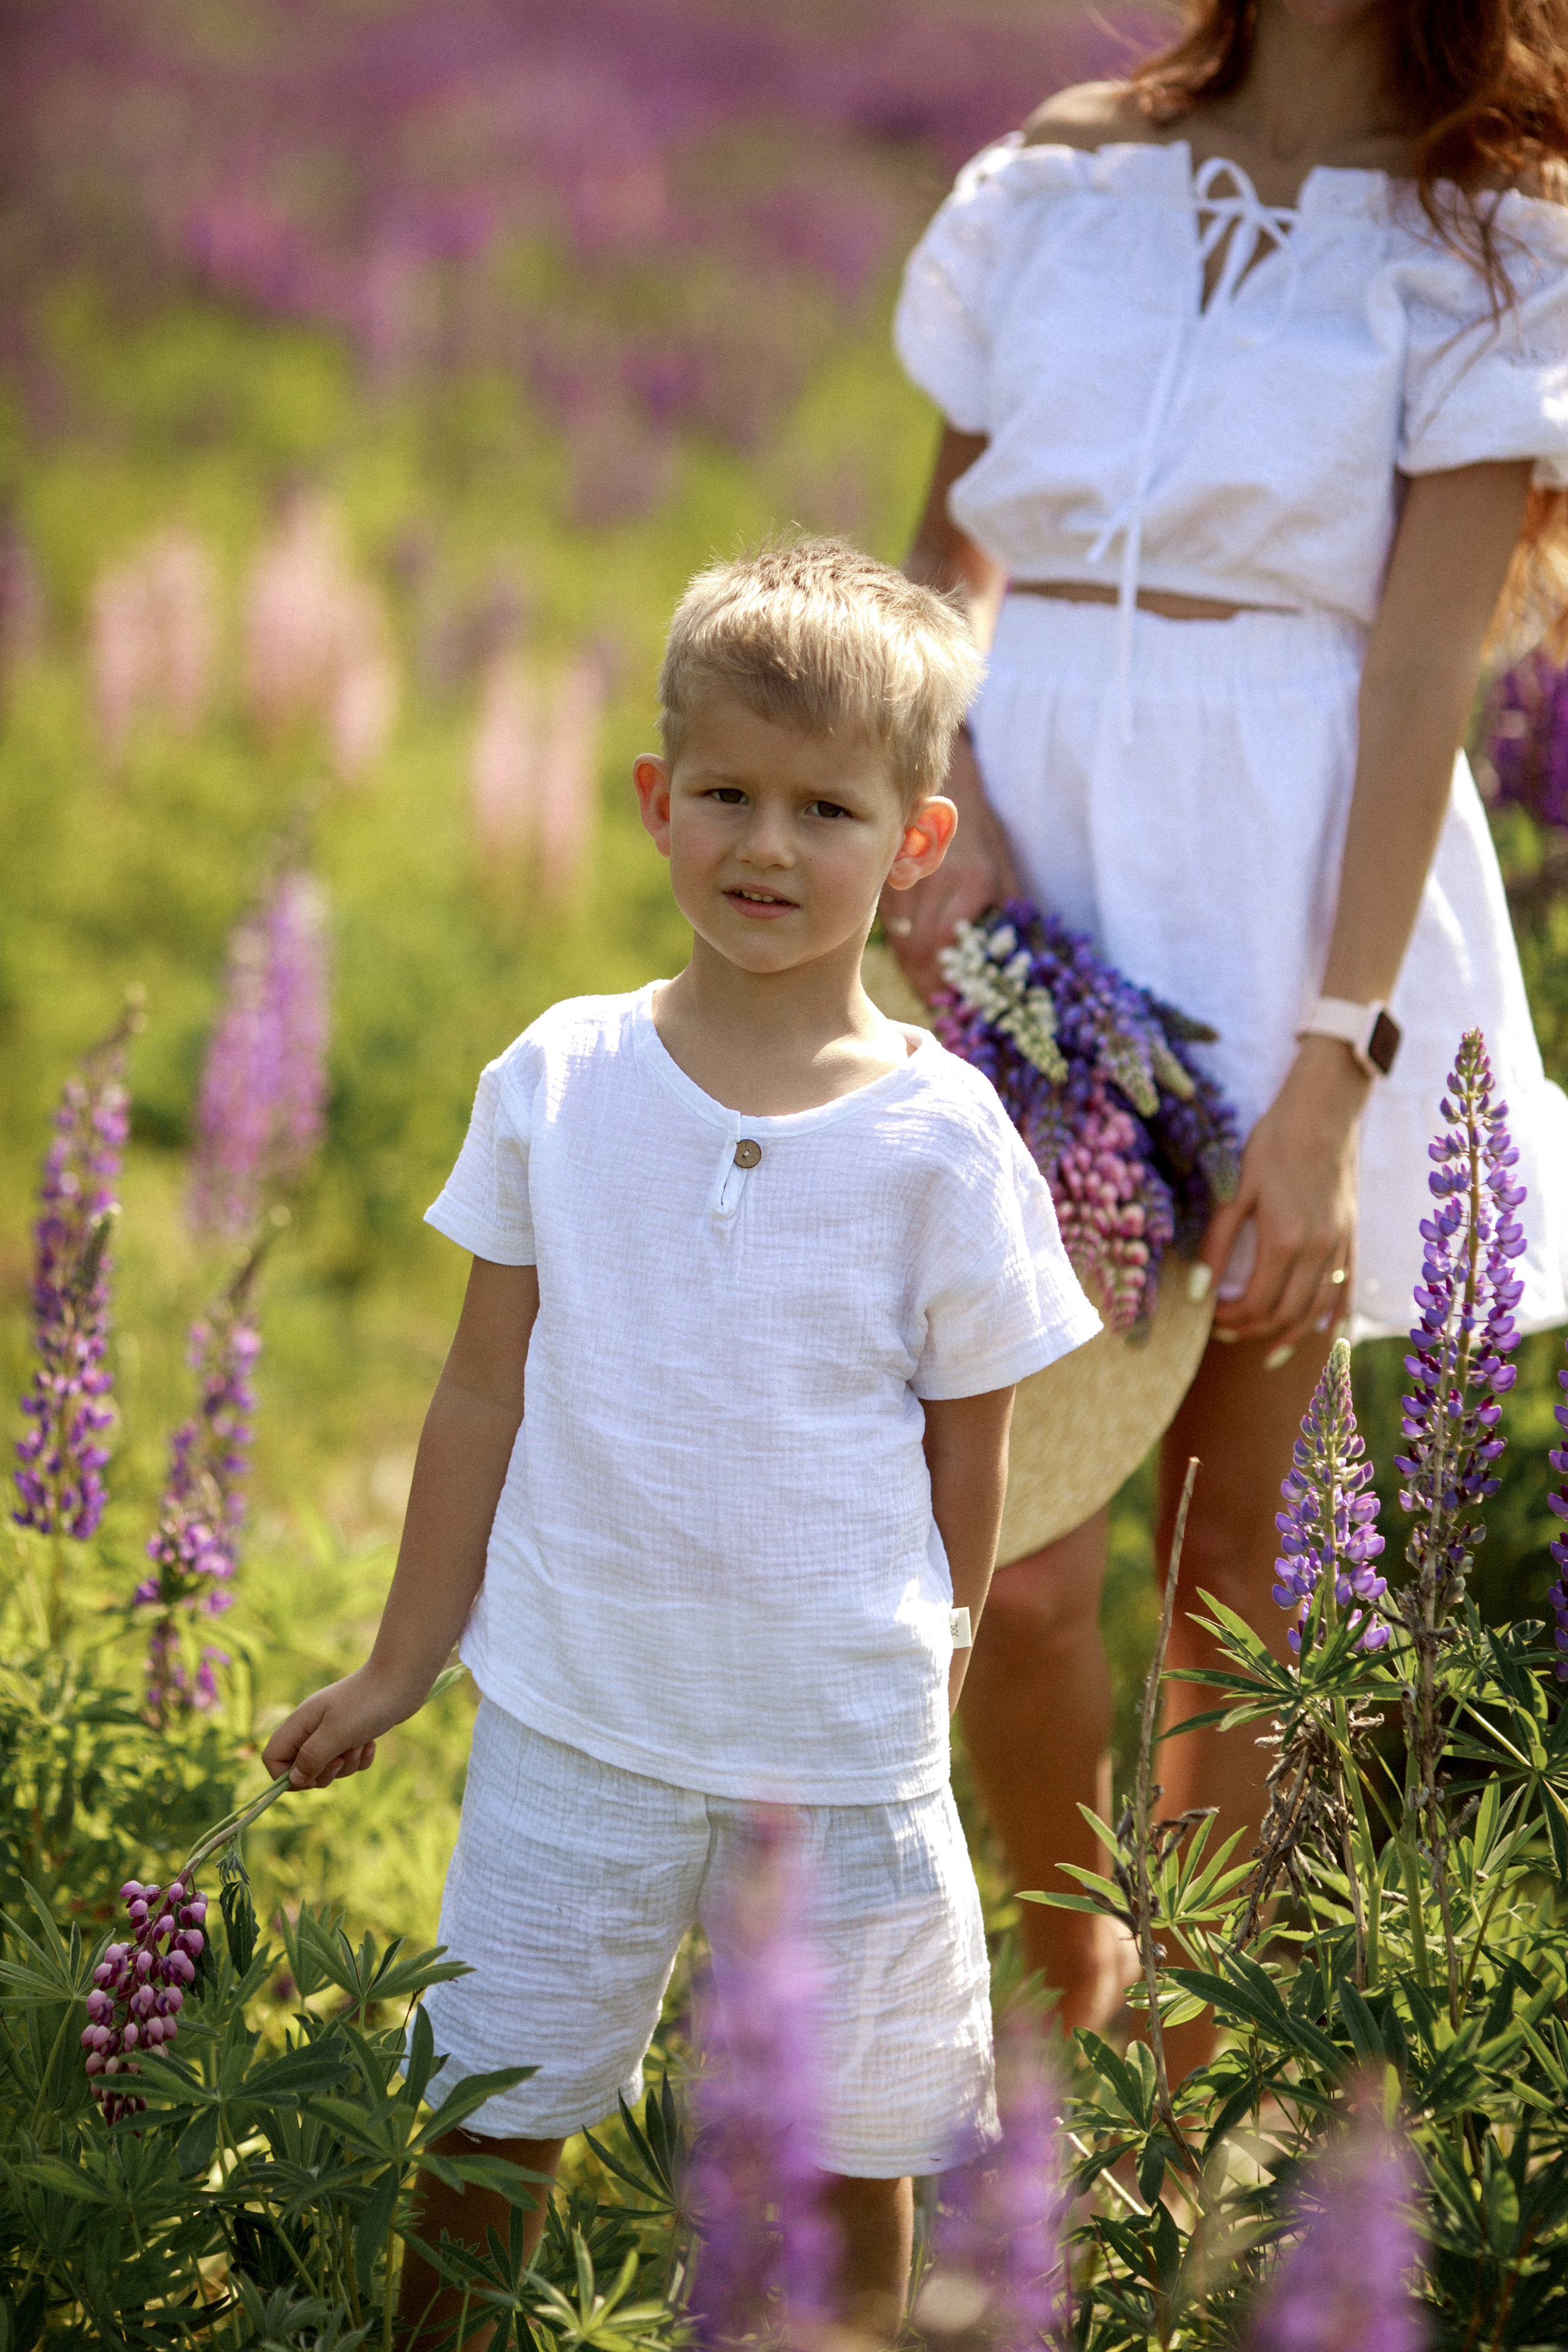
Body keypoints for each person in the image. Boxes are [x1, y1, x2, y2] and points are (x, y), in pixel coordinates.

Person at [262, 538, 1101, 2347]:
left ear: (917, 843)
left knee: (849, 2148)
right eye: (727, 793)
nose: (767, 846)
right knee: (493, 2109)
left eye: (826, 810)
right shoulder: (561, 1079)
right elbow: (479, 1393)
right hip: (578, 1715)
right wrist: (404, 1664)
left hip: (841, 1750)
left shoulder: (947, 1139)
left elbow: (973, 1445)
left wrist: (946, 1644)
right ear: (657, 801)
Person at [886, 0, 1568, 2061]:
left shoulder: (1491, 231)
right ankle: (1069, 1990)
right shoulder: (1066, 168)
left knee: (1229, 1569)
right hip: (1026, 887)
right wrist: (947, 800)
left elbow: (1424, 678)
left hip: (1297, 903)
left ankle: (1178, 2087)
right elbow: (945, 553)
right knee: (1011, 1566)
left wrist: (1332, 1068)